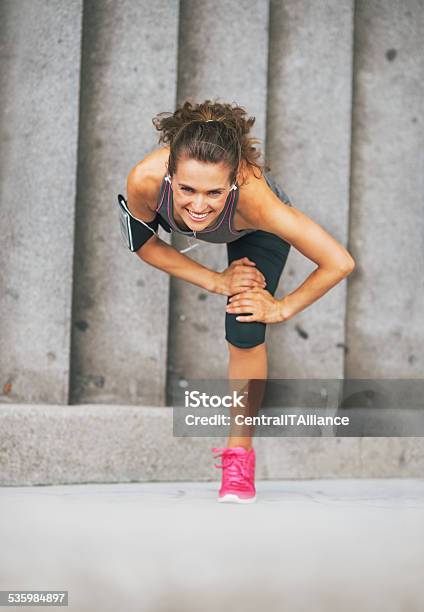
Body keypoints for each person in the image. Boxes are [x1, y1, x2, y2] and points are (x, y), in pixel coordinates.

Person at [118, 99, 355, 503]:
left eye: (213, 192)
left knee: (244, 323)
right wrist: (216, 280)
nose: (197, 205)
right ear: (170, 173)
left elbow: (339, 261)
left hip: (251, 233)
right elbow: (144, 245)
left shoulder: (257, 200)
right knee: (231, 293)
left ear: (231, 184)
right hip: (212, 223)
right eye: (187, 189)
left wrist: (280, 308)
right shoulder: (144, 180)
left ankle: (239, 455)